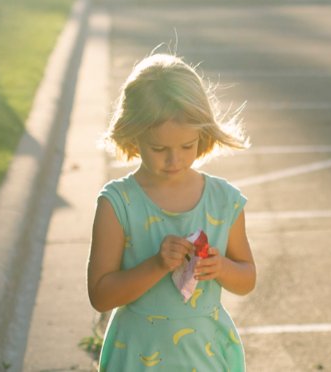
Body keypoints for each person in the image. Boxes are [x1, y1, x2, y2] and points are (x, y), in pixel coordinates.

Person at [87, 53, 256, 370]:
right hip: (138, 353)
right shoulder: (118, 204)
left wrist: (221, 268)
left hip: (204, 354)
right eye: (159, 148)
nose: (174, 160)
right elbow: (101, 295)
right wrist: (156, 264)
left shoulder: (223, 201)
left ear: (202, 135)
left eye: (187, 146)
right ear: (133, 134)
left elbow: (247, 278)